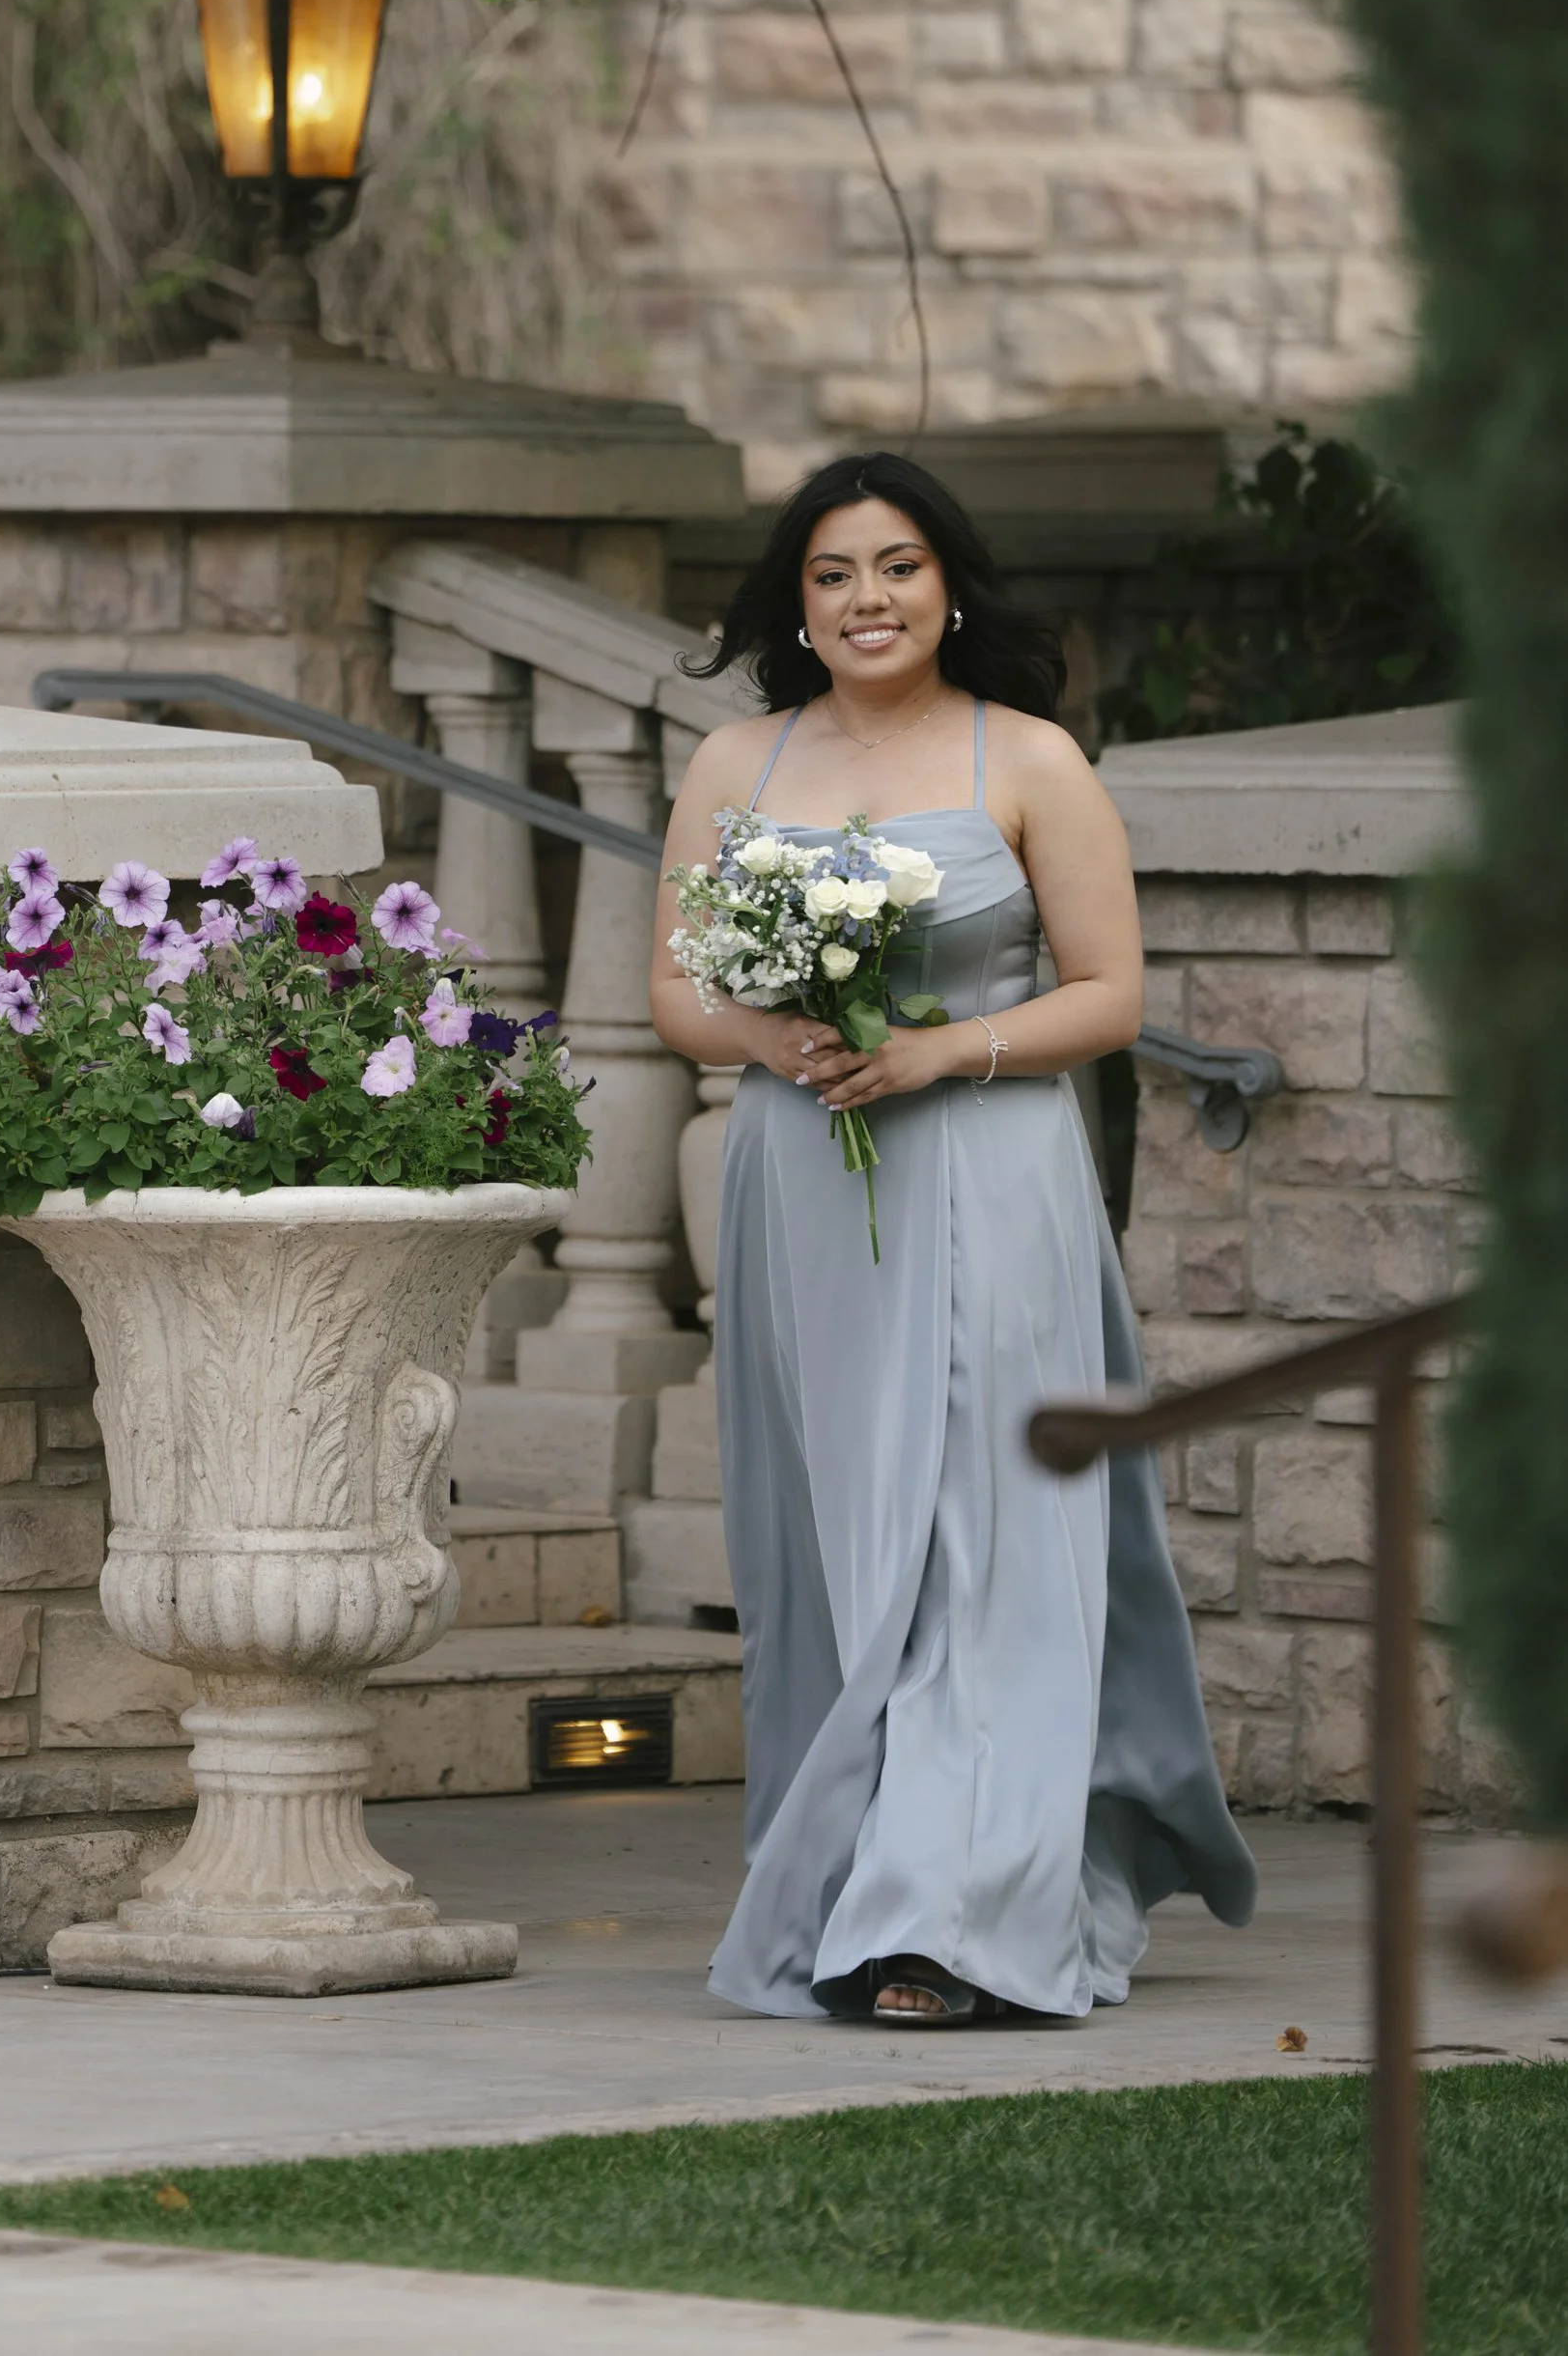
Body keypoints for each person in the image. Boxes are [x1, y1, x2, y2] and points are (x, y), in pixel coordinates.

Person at [648, 452, 1254, 2024]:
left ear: (951, 581)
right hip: (808, 1179)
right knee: (840, 1539)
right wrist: (785, 1043)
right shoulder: (734, 761)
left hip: (991, 1173)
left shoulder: (1032, 758)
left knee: (984, 1535)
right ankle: (854, 1874)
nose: (869, 597)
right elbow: (675, 994)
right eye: (836, 572)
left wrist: (935, 1050)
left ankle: (951, 1919)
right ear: (798, 599)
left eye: (898, 565)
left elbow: (1108, 996)